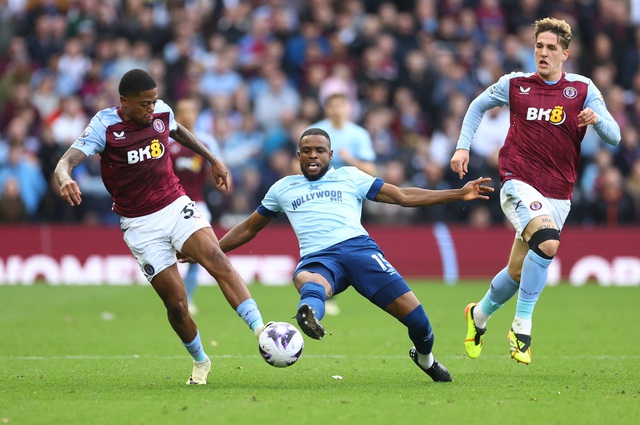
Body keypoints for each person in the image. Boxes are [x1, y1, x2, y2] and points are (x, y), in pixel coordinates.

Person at [217, 128, 494, 382]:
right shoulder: (283, 188)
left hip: (359, 249)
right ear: (298, 155)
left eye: (320, 150)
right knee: (306, 278)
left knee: (420, 324)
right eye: (307, 150)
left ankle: (425, 359)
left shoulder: (350, 176)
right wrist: (211, 251)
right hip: (319, 258)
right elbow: (250, 227)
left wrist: (458, 194)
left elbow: (401, 196)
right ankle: (310, 313)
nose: (313, 155)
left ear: (330, 155)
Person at [54, 68, 267, 385]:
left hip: (174, 204)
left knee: (216, 259)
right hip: (139, 224)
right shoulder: (104, 124)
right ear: (124, 102)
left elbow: (179, 131)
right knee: (178, 305)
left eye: (154, 102)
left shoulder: (161, 111)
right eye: (144, 104)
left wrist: (213, 159)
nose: (152, 109)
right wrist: (65, 177)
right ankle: (200, 360)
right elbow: (64, 161)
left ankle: (262, 331)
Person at [450, 18, 621, 365]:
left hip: (559, 192)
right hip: (517, 180)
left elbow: (615, 135)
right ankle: (522, 327)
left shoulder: (583, 89)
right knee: (548, 242)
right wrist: (462, 147)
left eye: (551, 48)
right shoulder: (514, 84)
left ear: (565, 54)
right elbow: (477, 106)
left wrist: (597, 119)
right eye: (539, 47)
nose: (543, 53)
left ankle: (478, 315)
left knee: (517, 272)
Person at [310, 92, 377, 315]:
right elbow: (298, 163)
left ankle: (333, 288)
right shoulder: (316, 132)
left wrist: (349, 160)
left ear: (348, 108)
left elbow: (371, 171)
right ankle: (324, 292)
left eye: (341, 105)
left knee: (346, 240)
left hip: (348, 197)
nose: (337, 110)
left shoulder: (358, 135)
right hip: (320, 194)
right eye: (333, 106)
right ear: (327, 109)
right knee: (321, 240)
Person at [169, 97, 223, 315]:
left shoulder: (206, 142)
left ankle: (187, 299)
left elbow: (218, 169)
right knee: (169, 252)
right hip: (170, 203)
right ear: (177, 115)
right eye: (182, 111)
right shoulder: (166, 142)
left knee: (196, 256)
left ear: (196, 114)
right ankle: (175, 296)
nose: (187, 115)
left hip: (197, 204)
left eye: (191, 111)